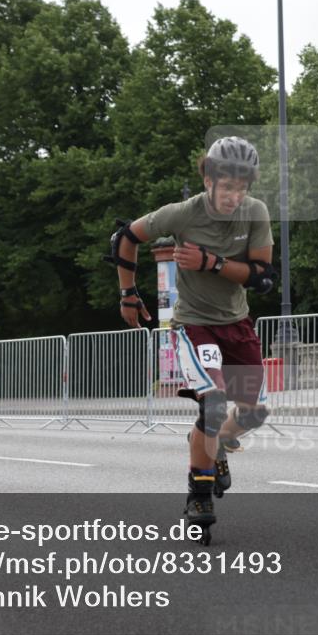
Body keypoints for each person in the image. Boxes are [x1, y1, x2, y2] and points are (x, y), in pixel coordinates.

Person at [105, 136, 276, 535]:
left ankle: (214, 450)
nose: (234, 195)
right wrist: (128, 294)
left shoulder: (255, 213)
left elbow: (263, 277)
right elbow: (125, 238)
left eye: (242, 187)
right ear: (208, 178)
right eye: (226, 185)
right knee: (213, 405)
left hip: (237, 324)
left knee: (254, 412)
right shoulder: (183, 214)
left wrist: (211, 263)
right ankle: (198, 493)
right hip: (195, 326)